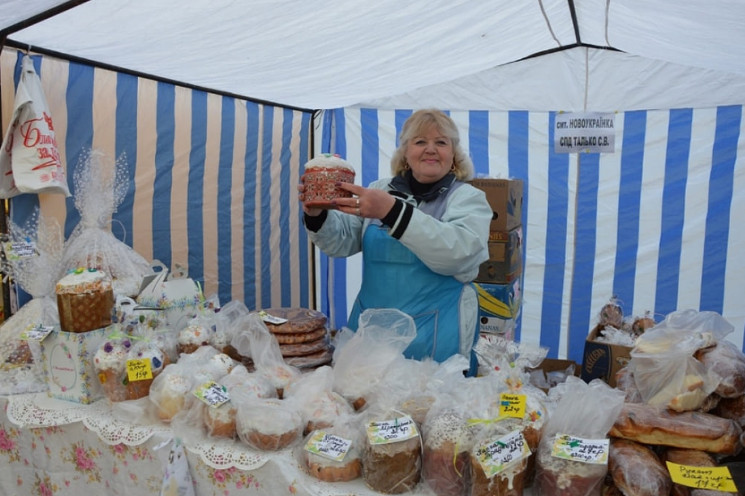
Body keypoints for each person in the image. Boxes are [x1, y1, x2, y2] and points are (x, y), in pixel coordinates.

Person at [299, 108, 491, 375]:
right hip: (372, 337)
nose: (431, 149)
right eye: (420, 141)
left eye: (441, 142)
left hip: (435, 337)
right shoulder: (379, 190)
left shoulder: (468, 198)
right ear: (405, 152)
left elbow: (458, 252)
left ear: (454, 154)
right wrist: (317, 215)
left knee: (429, 410)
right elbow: (341, 242)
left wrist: (392, 212)